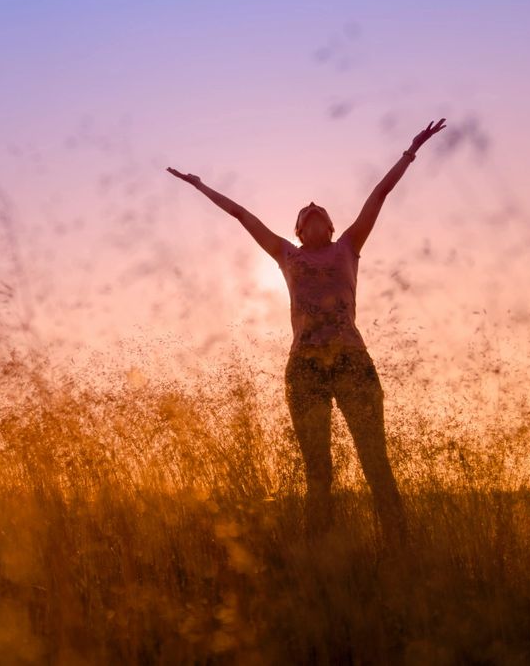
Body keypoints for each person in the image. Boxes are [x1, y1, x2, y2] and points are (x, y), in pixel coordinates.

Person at [167, 119, 446, 545]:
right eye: (306, 216)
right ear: (298, 230)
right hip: (306, 368)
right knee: (319, 472)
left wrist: (411, 150)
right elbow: (242, 215)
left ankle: (399, 546)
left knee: (376, 462)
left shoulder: (349, 246)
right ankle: (322, 553)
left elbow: (379, 195)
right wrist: (199, 185)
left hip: (352, 361)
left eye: (320, 215)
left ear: (331, 227)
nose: (313, 214)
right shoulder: (285, 254)